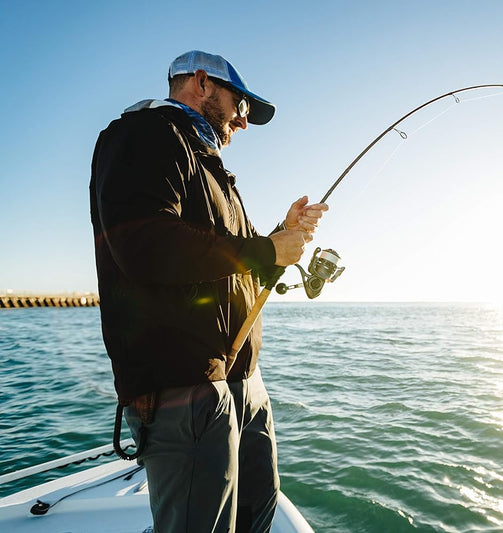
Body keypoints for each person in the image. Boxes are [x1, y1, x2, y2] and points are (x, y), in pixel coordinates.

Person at [90, 50, 328, 532]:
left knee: (256, 514)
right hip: (185, 386)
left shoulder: (210, 166)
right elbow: (145, 245)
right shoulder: (145, 134)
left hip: (242, 382)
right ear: (201, 83)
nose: (243, 121)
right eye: (239, 105)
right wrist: (264, 251)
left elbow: (234, 262)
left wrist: (282, 235)